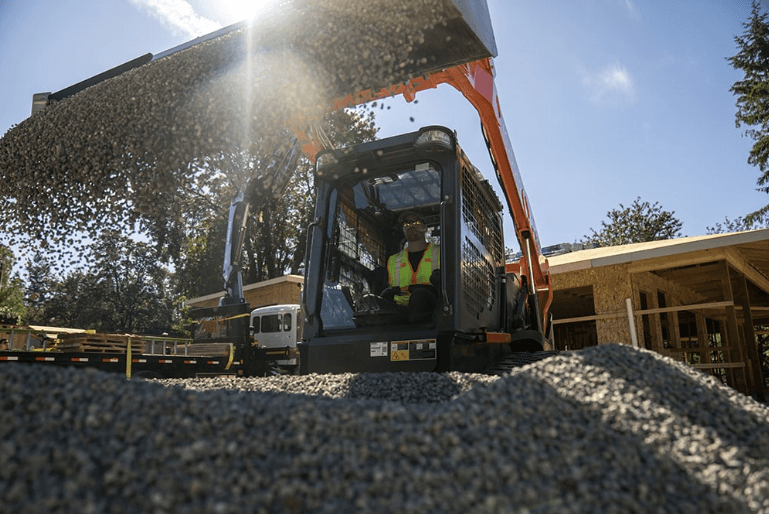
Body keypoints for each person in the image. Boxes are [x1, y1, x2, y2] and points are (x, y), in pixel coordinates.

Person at [381, 211, 440, 322]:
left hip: (432, 307)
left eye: (416, 222)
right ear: (403, 230)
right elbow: (388, 289)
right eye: (406, 224)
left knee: (419, 296)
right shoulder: (393, 260)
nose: (411, 226)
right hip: (401, 311)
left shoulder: (441, 252)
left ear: (425, 228)